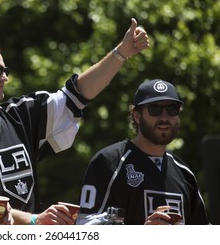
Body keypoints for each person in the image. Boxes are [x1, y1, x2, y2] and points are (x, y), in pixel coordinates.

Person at [0, 18, 149, 225]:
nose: (5, 78)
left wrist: (121, 52)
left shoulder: (20, 115)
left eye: (6, 71)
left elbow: (77, 95)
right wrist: (35, 221)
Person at [77, 79, 209, 225]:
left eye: (172, 108)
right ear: (136, 116)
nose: (164, 117)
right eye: (155, 109)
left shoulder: (185, 173)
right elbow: (85, 230)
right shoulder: (108, 162)